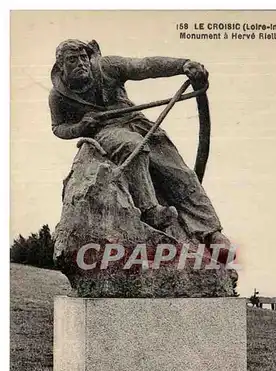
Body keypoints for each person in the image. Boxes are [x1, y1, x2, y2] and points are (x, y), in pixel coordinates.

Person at [49, 39, 230, 251]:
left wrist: (182, 65)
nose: (81, 63)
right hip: (106, 132)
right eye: (72, 60)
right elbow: (58, 127)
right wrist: (80, 127)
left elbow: (144, 66)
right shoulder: (58, 96)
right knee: (133, 146)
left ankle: (211, 232)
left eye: (83, 57)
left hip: (136, 121)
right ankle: (151, 210)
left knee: (177, 169)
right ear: (61, 66)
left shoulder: (107, 67)